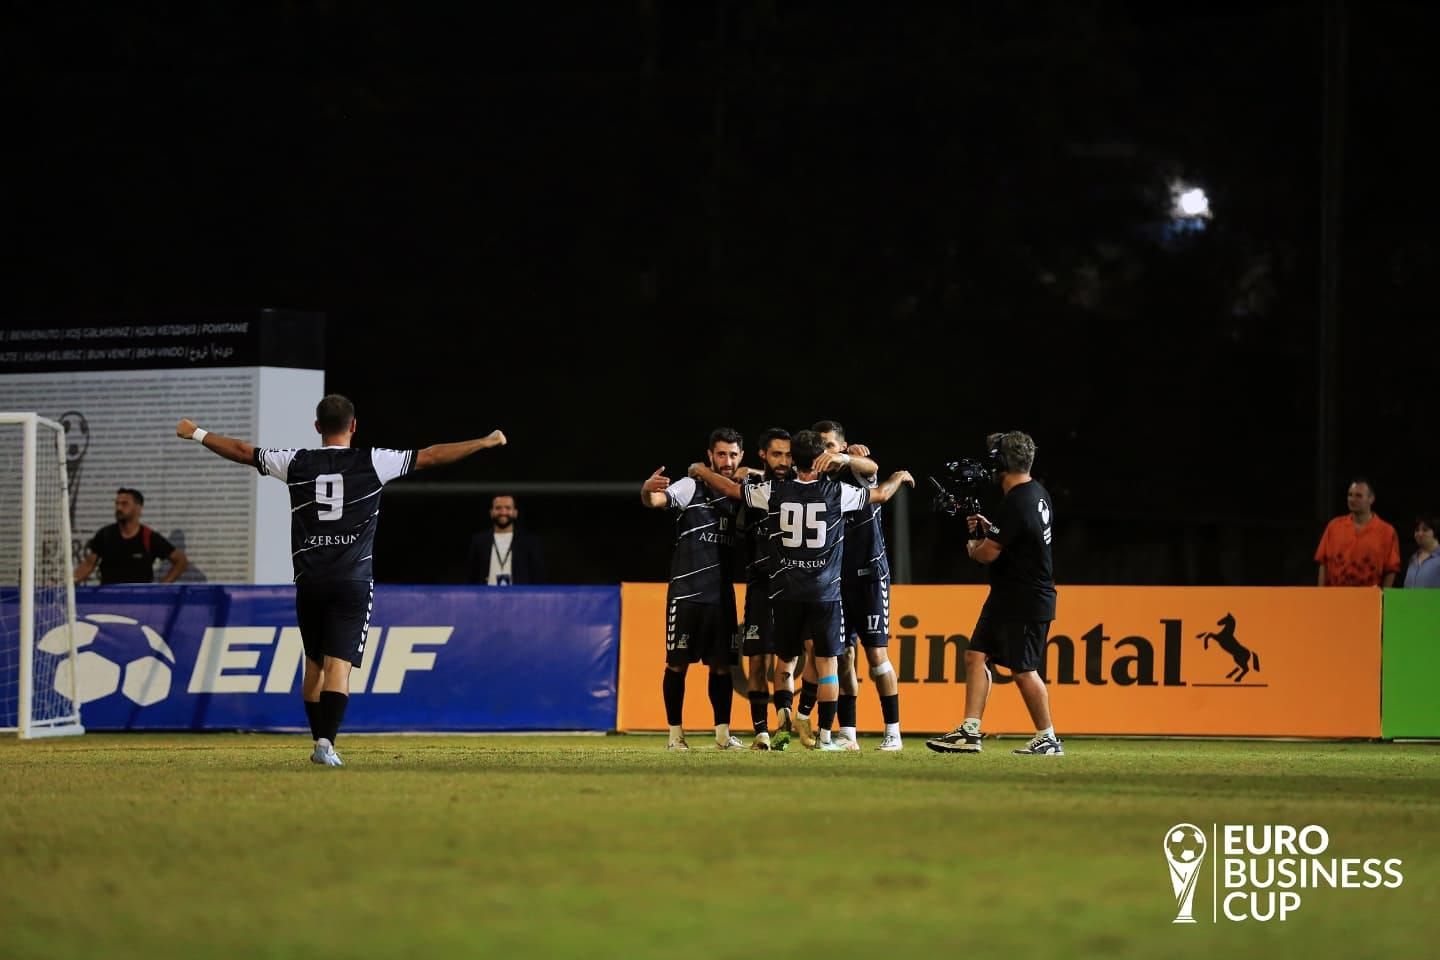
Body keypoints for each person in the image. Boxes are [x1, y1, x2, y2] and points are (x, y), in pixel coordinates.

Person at [175, 394, 506, 767]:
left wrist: (197, 432)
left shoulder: (296, 461)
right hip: (352, 580)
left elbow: (241, 450)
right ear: (353, 426)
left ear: (317, 427)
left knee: (313, 665)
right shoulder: (373, 461)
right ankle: (325, 744)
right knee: (339, 666)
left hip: (310, 579)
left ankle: (320, 741)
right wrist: (483, 441)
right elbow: (430, 455)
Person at [692, 429, 913, 752]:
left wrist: (701, 471)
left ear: (794, 459)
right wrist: (897, 477)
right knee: (827, 666)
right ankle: (825, 736)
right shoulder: (836, 492)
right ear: (821, 459)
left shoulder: (773, 491)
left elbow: (730, 489)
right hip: (825, 594)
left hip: (785, 593)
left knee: (785, 663)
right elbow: (880, 494)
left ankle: (781, 727)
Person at [927, 430, 1064, 757]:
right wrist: (993, 530)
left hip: (1025, 599)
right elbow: (1018, 538)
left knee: (1023, 670)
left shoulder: (1017, 502)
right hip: (1009, 595)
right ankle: (970, 731)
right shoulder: (1035, 492)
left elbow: (987, 554)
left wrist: (974, 546)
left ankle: (1048, 737)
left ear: (1002, 462)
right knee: (975, 655)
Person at [640, 428, 746, 751]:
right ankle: (676, 736)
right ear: (710, 455)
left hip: (721, 598)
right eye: (721, 454)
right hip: (687, 596)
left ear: (741, 456)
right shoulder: (691, 486)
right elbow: (656, 500)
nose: (727, 461)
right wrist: (646, 490)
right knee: (677, 665)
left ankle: (723, 736)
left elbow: (775, 476)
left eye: (733, 455)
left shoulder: (740, 491)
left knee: (721, 667)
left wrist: (746, 473)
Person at [814, 419, 904, 752]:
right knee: (844, 658)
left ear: (842, 445)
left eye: (830, 445)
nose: (825, 452)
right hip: (836, 579)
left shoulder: (856, 470)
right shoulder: (819, 482)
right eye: (820, 446)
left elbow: (872, 467)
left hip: (870, 574)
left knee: (877, 657)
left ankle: (892, 731)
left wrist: (849, 459)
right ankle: (848, 732)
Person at [734, 427, 793, 750]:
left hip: (793, 586)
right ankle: (761, 732)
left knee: (786, 664)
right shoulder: (753, 487)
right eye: (776, 454)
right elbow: (736, 484)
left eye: (787, 454)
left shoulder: (802, 485)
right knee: (757, 661)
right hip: (759, 584)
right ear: (763, 454)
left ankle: (786, 728)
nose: (783, 460)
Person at [73, 487, 189, 585]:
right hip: (109, 601)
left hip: (139, 602)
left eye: (124, 504)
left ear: (138, 508)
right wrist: (68, 584)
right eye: (117, 504)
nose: (119, 508)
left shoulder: (149, 537)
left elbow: (181, 561)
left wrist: (161, 587)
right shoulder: (105, 534)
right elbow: (88, 565)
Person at [1314, 478, 1401, 587]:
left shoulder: (1387, 531)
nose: (1352, 499)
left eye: (1358, 496)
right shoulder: (1334, 526)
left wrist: (1383, 597)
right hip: (1335, 596)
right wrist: (1320, 594)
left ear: (1371, 499)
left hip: (1368, 598)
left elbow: (1391, 569)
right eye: (1350, 495)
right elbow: (1323, 563)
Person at [466, 494, 546, 584]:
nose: (503, 512)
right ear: (491, 513)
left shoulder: (530, 541)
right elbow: (472, 576)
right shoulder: (479, 541)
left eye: (508, 508)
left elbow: (538, 576)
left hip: (519, 596)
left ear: (515, 513)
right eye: (498, 508)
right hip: (486, 596)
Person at [1402, 512, 1440, 588]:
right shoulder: (1412, 558)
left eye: (1425, 530)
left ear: (1435, 532)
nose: (1420, 534)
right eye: (1417, 530)